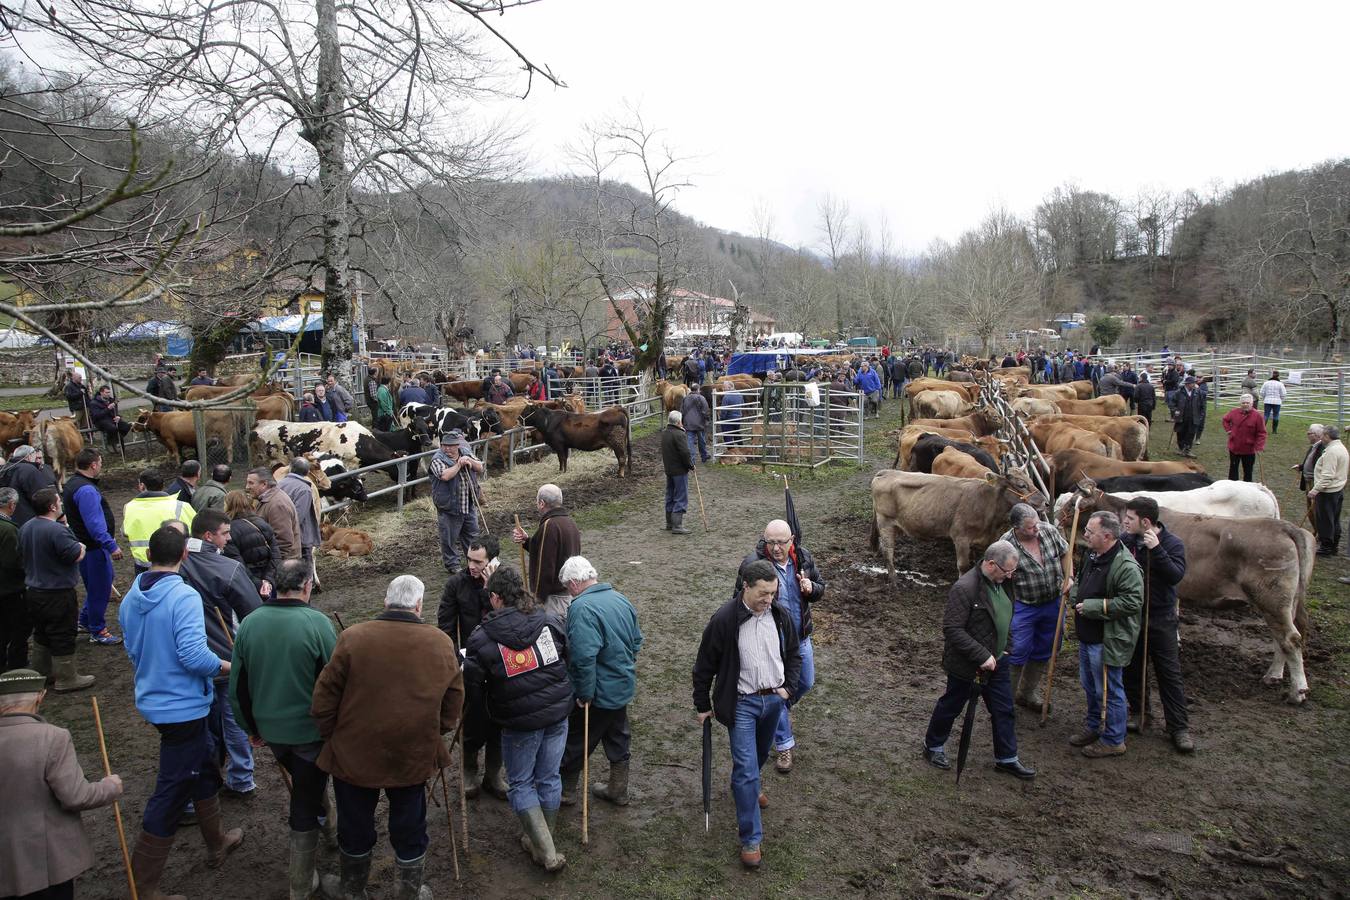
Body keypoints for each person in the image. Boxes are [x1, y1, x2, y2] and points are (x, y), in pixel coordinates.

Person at [311, 575, 464, 900]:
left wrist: (332, 735)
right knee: (410, 823)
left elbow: (324, 698)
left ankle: (352, 890)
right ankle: (406, 893)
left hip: (355, 753)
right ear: (419, 606)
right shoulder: (439, 642)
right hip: (411, 752)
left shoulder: (353, 637)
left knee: (354, 823)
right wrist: (434, 732)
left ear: (385, 602)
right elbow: (453, 701)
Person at [119, 525, 241, 899]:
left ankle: (216, 840)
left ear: (150, 555)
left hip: (155, 699)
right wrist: (229, 666)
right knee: (171, 789)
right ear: (185, 556)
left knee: (203, 762)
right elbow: (193, 656)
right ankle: (144, 886)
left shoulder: (131, 596)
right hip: (182, 706)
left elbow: (132, 649)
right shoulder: (183, 596)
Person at [229, 559, 339, 899]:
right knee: (303, 801)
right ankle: (301, 883)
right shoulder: (317, 624)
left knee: (307, 782)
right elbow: (335, 683)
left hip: (271, 732)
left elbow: (238, 686)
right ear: (306, 586)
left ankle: (332, 829)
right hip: (310, 732)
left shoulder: (249, 624)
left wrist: (250, 726)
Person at [463, 566, 572, 873]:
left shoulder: (482, 637)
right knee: (549, 776)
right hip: (556, 713)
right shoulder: (550, 622)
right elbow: (568, 655)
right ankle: (541, 841)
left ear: (496, 598)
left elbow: (473, 684)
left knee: (522, 781)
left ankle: (545, 850)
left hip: (519, 722)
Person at [693, 559, 801, 869]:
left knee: (758, 755)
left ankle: (748, 789)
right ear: (746, 587)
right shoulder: (725, 620)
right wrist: (702, 704)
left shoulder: (779, 614)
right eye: (763, 593)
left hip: (774, 703)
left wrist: (788, 688)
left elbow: (793, 653)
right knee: (747, 768)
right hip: (741, 704)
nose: (769, 599)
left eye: (773, 592)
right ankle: (751, 838)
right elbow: (704, 666)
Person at [0, 667, 124, 900]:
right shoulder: (52, 737)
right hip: (45, 863)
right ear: (40, 697)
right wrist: (110, 787)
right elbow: (75, 796)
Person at [920, 541, 1036, 780]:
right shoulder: (965, 588)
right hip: (967, 664)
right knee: (951, 705)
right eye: (1007, 571)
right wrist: (982, 655)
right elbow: (952, 629)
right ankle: (933, 746)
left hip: (998, 662)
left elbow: (1007, 616)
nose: (1011, 575)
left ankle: (1007, 758)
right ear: (991, 564)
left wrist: (1007, 647)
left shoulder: (1004, 583)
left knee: (1004, 710)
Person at [171, 511, 262, 800]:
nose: (230, 537)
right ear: (208, 536)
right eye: (225, 532)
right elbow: (254, 612)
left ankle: (206, 780)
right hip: (225, 656)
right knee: (233, 718)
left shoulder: (176, 566)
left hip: (187, 659)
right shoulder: (228, 568)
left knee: (202, 724)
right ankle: (241, 777)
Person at [730, 519, 825, 775]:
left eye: (781, 542)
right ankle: (784, 744)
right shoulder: (753, 564)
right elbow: (737, 600)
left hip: (800, 638)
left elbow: (820, 588)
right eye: (770, 542)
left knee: (804, 682)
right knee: (777, 692)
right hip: (771, 644)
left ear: (791, 540)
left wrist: (811, 588)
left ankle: (777, 709)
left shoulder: (803, 558)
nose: (775, 548)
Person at [558, 556, 643, 807]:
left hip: (597, 693)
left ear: (574, 583)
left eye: (567, 587)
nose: (568, 593)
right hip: (621, 686)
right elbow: (637, 640)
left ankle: (566, 791)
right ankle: (618, 789)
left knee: (577, 740)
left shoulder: (581, 608)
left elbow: (583, 658)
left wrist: (584, 694)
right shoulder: (620, 598)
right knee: (618, 734)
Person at [1120, 497, 1194, 753]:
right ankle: (1140, 712)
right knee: (1132, 668)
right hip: (1133, 616)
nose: (1125, 523)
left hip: (1161, 618)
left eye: (1129, 519)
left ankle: (1178, 727)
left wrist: (1157, 550)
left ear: (1146, 522)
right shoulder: (1127, 541)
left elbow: (1176, 575)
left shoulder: (1172, 544)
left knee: (1168, 673)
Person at [437, 536, 509, 800]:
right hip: (471, 664)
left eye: (478, 561)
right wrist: (455, 658)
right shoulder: (456, 583)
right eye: (469, 559)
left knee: (499, 721)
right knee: (471, 719)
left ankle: (494, 774)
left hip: (501, 663)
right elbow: (445, 624)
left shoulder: (505, 580)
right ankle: (469, 770)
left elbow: (508, 614)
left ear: (492, 560)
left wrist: (489, 585)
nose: (471, 565)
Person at [1069, 511, 1145, 758]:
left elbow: (1133, 602)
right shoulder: (1093, 554)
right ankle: (1093, 726)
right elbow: (1082, 580)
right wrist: (1074, 594)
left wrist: (1092, 607)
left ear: (1108, 536)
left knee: (1109, 691)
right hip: (1088, 636)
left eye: (1091, 532)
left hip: (1107, 640)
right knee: (1090, 686)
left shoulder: (1126, 566)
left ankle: (1113, 739)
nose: (1086, 535)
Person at [19, 488, 94, 693]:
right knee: (63, 633)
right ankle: (67, 678)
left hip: (34, 591)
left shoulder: (26, 527)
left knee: (42, 632)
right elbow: (74, 554)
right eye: (58, 501)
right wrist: (81, 547)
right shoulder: (56, 531)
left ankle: (41, 673)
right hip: (57, 593)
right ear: (52, 506)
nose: (61, 504)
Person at [997, 503, 1070, 713]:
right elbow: (997, 579)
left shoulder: (1049, 531)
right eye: (1030, 527)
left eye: (1037, 524)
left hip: (1053, 602)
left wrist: (1069, 578)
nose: (1036, 529)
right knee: (1016, 649)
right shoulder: (1006, 544)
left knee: (1046, 647)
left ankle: (1027, 692)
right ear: (1016, 527)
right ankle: (1005, 701)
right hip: (1023, 605)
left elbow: (1065, 552)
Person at [62, 449, 124, 646]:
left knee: (102, 583)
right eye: (100, 462)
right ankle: (98, 630)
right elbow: (94, 524)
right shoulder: (87, 490)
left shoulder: (72, 484)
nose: (101, 465)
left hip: (85, 546)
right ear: (94, 465)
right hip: (94, 548)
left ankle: (85, 620)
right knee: (100, 588)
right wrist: (111, 545)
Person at [512, 484, 582, 621]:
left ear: (542, 503)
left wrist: (536, 601)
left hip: (553, 602)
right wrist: (528, 541)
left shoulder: (549, 526)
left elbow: (545, 570)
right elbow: (552, 552)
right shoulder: (570, 523)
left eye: (537, 502)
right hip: (567, 595)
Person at [430, 430, 485, 574]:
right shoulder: (437, 459)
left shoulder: (465, 451)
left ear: (457, 445)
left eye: (451, 446)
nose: (447, 449)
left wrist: (470, 461)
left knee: (472, 535)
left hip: (468, 504)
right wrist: (459, 465)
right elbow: (445, 475)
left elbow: (480, 467)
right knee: (449, 538)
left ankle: (473, 560)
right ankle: (452, 564)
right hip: (449, 506)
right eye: (444, 445)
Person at [122, 469, 195, 574]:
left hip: (144, 565)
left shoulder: (129, 507)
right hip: (175, 564)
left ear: (142, 486)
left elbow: (125, 532)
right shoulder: (181, 506)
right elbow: (195, 533)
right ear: (162, 485)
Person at [222, 489, 280, 599]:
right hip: (269, 583)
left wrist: (258, 584)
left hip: (248, 585)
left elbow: (236, 563)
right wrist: (268, 580)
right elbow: (276, 555)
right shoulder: (263, 523)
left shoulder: (228, 531)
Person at [1309, 424, 1348, 556]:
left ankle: (1326, 547)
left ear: (1327, 436)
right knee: (1334, 519)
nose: (1321, 438)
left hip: (1328, 491)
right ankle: (1333, 546)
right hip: (1338, 489)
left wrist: (1315, 490)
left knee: (1325, 520)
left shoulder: (1332, 451)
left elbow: (1327, 476)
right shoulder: (1341, 447)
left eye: (1323, 435)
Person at [0, 489, 29, 670]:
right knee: (19, 630)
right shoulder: (8, 529)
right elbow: (13, 561)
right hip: (10, 589)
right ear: (11, 506)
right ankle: (16, 667)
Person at [278, 458, 322, 577]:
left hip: (281, 534)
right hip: (301, 536)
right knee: (305, 568)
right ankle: (306, 587)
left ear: (290, 468)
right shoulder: (304, 489)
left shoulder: (279, 484)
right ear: (307, 472)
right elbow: (298, 516)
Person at [246, 467, 300, 560]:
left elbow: (284, 541)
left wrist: (272, 565)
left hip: (284, 563)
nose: (247, 487)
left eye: (251, 483)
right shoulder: (266, 499)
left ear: (264, 484)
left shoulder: (277, 504)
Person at [0, 445, 57, 527]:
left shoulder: (5, 469)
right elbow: (43, 498)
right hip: (30, 522)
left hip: (9, 521)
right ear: (30, 456)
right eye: (36, 457)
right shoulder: (29, 470)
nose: (38, 461)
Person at [661, 411, 695, 535]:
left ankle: (669, 523)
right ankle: (677, 525)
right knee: (681, 496)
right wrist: (690, 465)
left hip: (669, 469)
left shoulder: (665, 433)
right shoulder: (679, 434)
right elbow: (685, 453)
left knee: (670, 495)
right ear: (679, 422)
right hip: (679, 470)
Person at [1221, 393, 1267, 482]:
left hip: (1249, 449)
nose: (1245, 404)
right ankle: (1232, 486)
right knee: (1233, 469)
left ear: (1252, 404)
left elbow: (1262, 433)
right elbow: (1225, 420)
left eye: (1247, 403)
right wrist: (1229, 430)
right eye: (1243, 403)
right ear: (1240, 403)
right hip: (1234, 447)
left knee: (1248, 471)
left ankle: (1247, 488)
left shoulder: (1257, 416)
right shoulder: (1234, 412)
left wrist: (1259, 446)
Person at [1172, 376, 1206, 458]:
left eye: (1194, 383)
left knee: (1191, 433)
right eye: (1192, 383)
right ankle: (1181, 448)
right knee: (1180, 433)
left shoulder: (1198, 393)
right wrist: (1175, 412)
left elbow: (1202, 406)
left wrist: (1200, 416)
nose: (1194, 385)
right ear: (1187, 384)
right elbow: (1172, 404)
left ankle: (1187, 449)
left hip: (1193, 417)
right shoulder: (1178, 393)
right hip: (1181, 417)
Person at [681, 384, 712, 464]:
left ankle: (692, 460)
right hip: (700, 423)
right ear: (698, 390)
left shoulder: (685, 398)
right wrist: (707, 420)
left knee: (690, 442)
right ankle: (704, 456)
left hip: (688, 424)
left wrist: (682, 421)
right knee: (701, 441)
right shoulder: (701, 398)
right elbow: (706, 410)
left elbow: (682, 411)